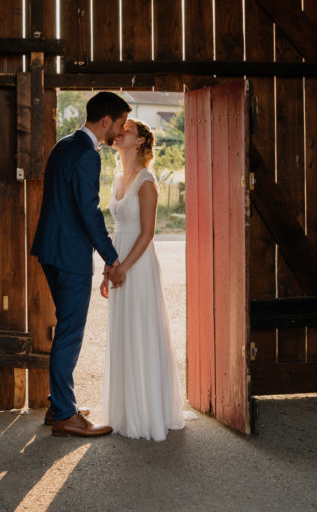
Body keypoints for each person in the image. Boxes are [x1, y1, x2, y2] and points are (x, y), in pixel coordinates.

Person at [31, 91, 131, 437]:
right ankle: (64, 416)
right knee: (70, 334)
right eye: (119, 124)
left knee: (65, 329)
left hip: (50, 250)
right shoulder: (88, 155)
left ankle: (60, 404)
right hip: (70, 255)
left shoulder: (64, 144)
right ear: (106, 120)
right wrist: (112, 257)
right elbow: (89, 213)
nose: (120, 131)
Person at [100, 118, 188, 441]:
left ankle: (148, 412)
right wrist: (109, 267)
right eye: (120, 129)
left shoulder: (146, 181)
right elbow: (116, 229)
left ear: (139, 142)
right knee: (123, 331)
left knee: (141, 330)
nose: (120, 132)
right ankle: (125, 410)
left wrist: (124, 268)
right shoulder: (117, 178)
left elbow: (148, 233)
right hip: (119, 261)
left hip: (138, 265)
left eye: (128, 130)